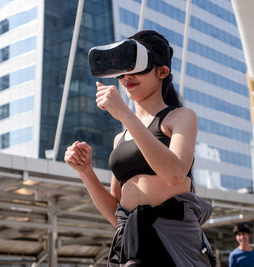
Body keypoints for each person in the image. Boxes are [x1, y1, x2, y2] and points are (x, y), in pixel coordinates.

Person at [65, 30, 214, 266]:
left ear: (162, 71)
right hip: (130, 243)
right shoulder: (120, 138)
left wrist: (125, 114)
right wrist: (86, 172)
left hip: (173, 238)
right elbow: (117, 214)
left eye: (137, 68)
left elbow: (175, 174)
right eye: (123, 71)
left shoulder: (180, 117)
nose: (127, 77)